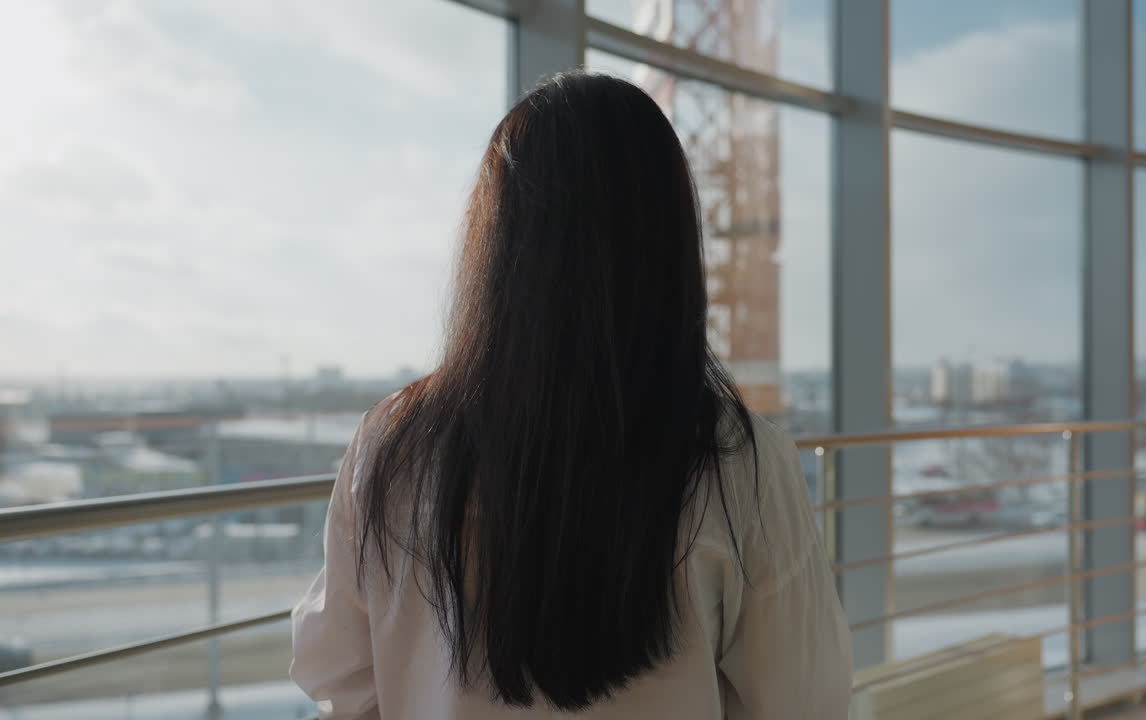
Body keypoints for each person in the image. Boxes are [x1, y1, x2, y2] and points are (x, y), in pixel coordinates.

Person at [290, 71, 852, 719]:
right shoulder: (739, 463)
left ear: (496, 244)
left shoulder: (393, 443)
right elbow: (807, 700)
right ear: (668, 245)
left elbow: (340, 677)